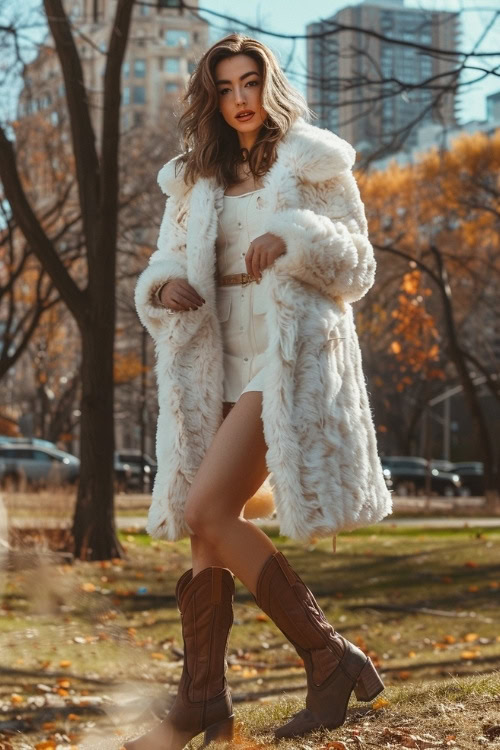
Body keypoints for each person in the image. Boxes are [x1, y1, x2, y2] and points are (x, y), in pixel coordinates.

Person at [127, 32, 392, 750]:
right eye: (226, 87)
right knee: (205, 528)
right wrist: (163, 284)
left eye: (250, 83)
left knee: (207, 506)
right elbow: (162, 260)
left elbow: (358, 263)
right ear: (210, 97)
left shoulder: (313, 162)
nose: (240, 98)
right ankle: (202, 702)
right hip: (214, 357)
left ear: (268, 86)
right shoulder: (190, 177)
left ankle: (327, 654)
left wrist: (293, 238)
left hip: (286, 354)